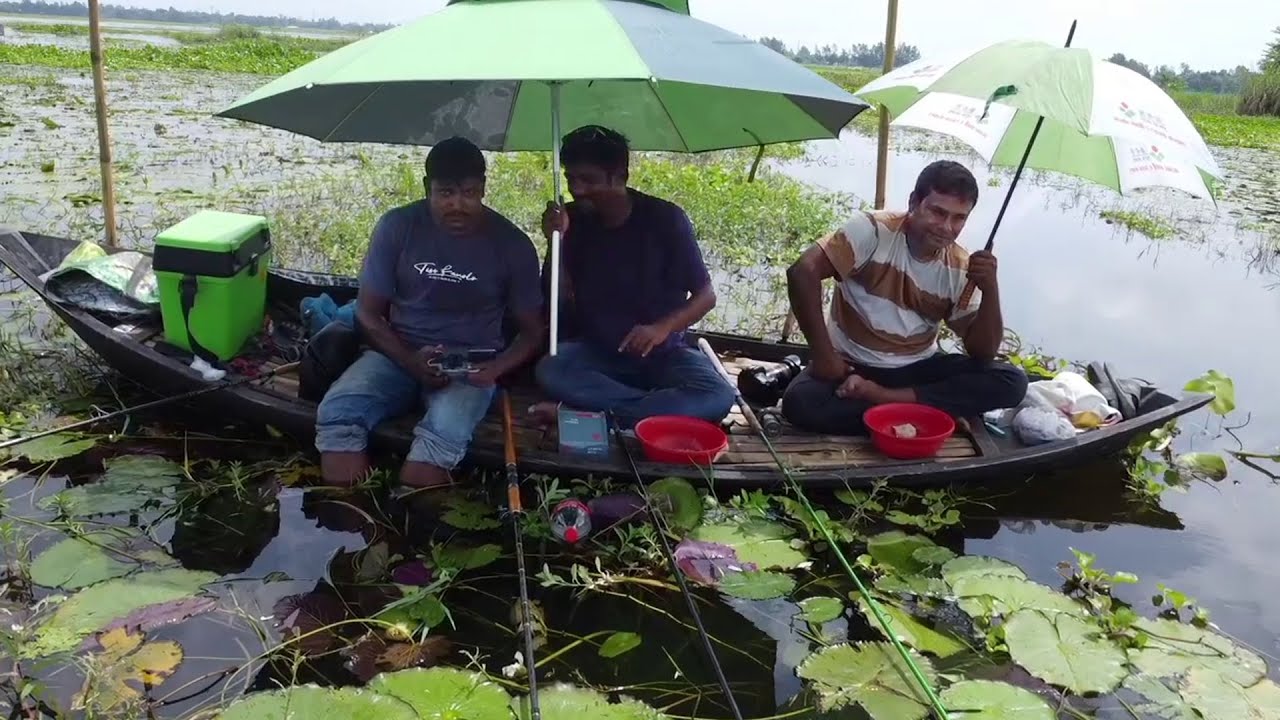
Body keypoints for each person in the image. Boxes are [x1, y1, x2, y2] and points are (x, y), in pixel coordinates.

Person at [314, 137, 544, 489]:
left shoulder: (512, 244)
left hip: (470, 364)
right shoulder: (397, 226)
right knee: (337, 412)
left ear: (483, 189)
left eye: (469, 193)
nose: (458, 205)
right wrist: (410, 361)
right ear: (427, 188)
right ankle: (351, 514)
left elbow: (532, 331)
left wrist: (496, 369)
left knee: (436, 445)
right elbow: (367, 313)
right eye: (445, 193)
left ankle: (415, 508)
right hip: (399, 352)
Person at [780, 160, 1028, 435]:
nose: (946, 227)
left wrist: (991, 289)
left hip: (917, 368)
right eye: (938, 212)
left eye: (959, 218)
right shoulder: (872, 230)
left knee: (1012, 381)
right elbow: (803, 272)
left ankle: (883, 400)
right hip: (851, 365)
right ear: (914, 202)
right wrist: (825, 356)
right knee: (799, 403)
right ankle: (925, 411)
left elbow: (982, 352)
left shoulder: (960, 265)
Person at [529, 125, 736, 429]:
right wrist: (555, 242)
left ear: (620, 176)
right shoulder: (573, 220)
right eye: (571, 178)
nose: (578, 189)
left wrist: (661, 328)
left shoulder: (665, 219)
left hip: (662, 354)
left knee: (718, 396)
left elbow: (706, 297)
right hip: (598, 351)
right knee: (551, 370)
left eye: (588, 180)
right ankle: (647, 410)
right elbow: (558, 296)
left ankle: (600, 416)